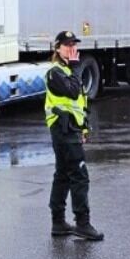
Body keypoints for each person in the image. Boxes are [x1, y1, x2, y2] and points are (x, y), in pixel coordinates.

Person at [45, 30, 104, 241]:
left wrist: (84, 130)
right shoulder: (56, 72)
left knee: (62, 174)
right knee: (79, 175)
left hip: (71, 130)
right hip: (62, 130)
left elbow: (80, 104)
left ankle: (58, 222)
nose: (72, 48)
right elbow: (71, 92)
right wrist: (77, 67)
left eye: (74, 45)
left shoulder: (68, 71)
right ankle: (83, 223)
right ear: (58, 48)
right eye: (67, 45)